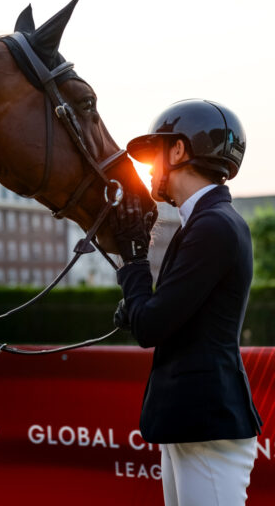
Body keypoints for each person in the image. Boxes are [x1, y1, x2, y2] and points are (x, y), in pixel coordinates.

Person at [110, 99, 262, 506]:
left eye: (157, 154)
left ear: (179, 150)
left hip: (206, 425)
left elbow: (152, 326)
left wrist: (134, 261)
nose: (153, 169)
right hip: (194, 424)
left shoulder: (213, 225)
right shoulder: (206, 221)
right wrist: (136, 303)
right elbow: (167, 315)